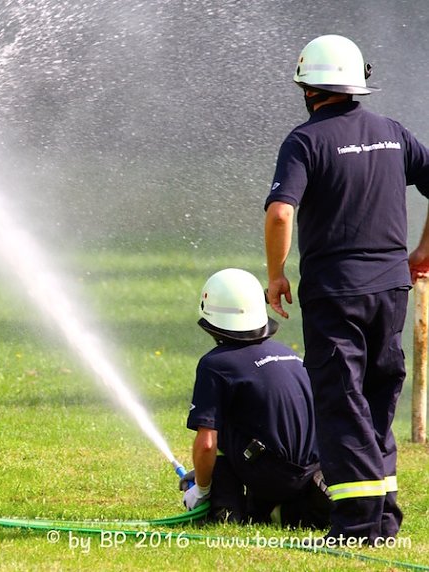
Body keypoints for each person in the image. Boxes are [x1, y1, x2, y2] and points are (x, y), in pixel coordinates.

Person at [264, 34, 429, 543]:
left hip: (335, 291)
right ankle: (383, 519)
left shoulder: (305, 141)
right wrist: (423, 250)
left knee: (342, 401)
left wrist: (276, 273)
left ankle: (358, 526)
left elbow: (280, 212)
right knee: (379, 396)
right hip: (391, 291)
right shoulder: (392, 132)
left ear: (308, 88)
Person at [181, 268, 331, 528]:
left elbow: (207, 444)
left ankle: (225, 508)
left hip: (273, 475)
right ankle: (289, 507)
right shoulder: (288, 354)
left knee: (219, 424)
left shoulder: (216, 364)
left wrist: (201, 490)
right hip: (314, 467)